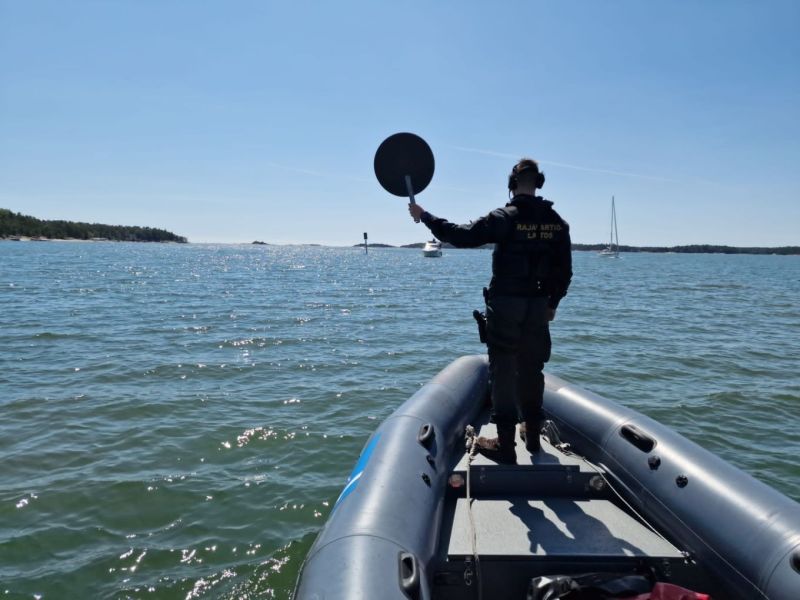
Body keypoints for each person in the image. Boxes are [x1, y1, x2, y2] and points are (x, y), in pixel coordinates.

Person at [408, 158, 572, 464]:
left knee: (503, 371)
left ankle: (506, 446)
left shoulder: (504, 217)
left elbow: (462, 235)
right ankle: (534, 437)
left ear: (512, 185)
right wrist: (552, 304)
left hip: (506, 305)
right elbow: (565, 272)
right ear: (539, 183)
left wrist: (425, 216)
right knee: (533, 370)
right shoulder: (557, 223)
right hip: (538, 306)